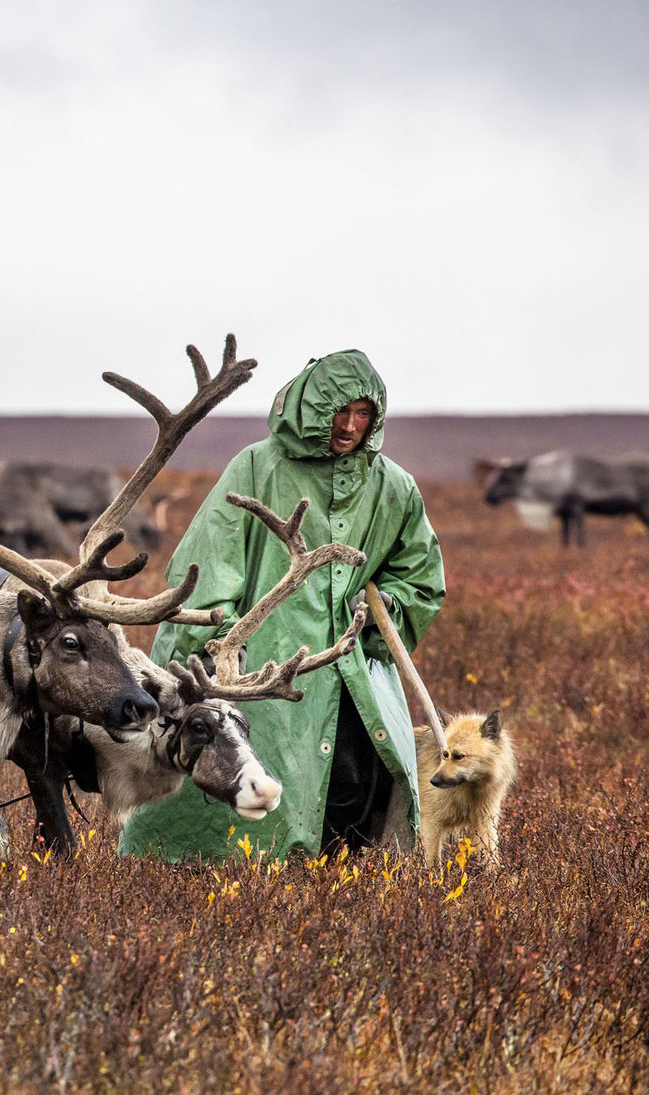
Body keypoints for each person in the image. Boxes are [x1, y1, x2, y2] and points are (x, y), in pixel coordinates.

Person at [120, 350, 445, 862]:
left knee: (362, 786)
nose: (349, 426)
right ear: (309, 408)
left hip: (351, 664)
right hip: (258, 666)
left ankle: (339, 891)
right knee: (246, 775)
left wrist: (385, 614)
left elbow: (419, 577)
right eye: (338, 411)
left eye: (363, 415)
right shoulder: (255, 467)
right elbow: (208, 565)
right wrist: (211, 646)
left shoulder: (394, 487)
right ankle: (229, 883)